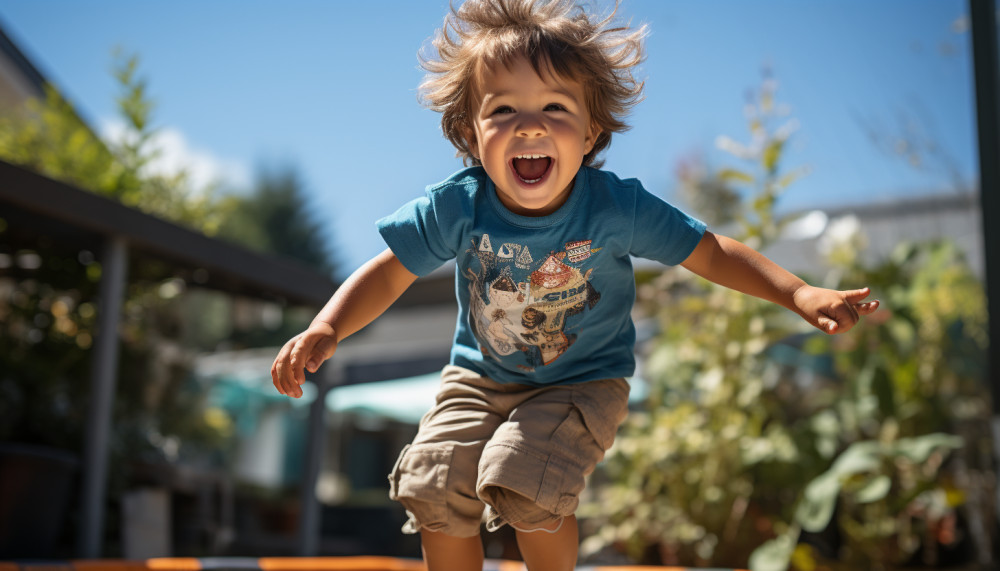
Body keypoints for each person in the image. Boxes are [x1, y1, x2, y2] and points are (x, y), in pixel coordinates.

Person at [270, 0, 880, 569]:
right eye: (503, 111)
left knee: (523, 477)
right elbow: (390, 270)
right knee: (434, 480)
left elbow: (710, 251)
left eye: (556, 109)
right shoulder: (458, 208)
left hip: (582, 380)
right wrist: (328, 325)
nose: (529, 127)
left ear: (590, 134)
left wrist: (797, 292)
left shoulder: (614, 208)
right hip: (479, 377)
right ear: (471, 135)